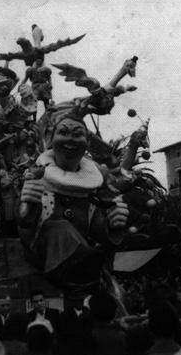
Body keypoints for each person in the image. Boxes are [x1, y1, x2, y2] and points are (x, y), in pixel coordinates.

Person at [18, 114, 129, 291]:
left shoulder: (94, 190)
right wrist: (28, 205)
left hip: (84, 268)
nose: (70, 139)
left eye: (78, 134)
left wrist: (114, 224)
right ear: (51, 138)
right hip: (43, 255)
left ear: (87, 142)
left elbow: (100, 230)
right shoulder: (35, 177)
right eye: (63, 132)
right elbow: (25, 227)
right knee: (61, 227)